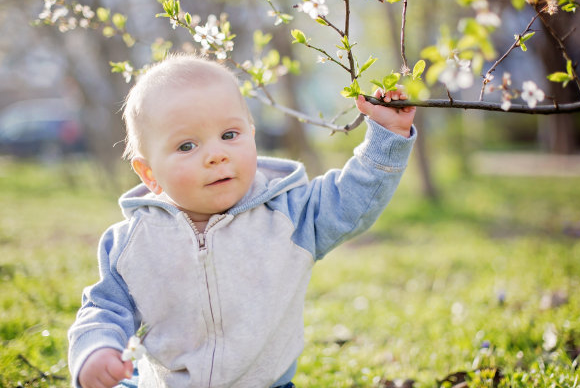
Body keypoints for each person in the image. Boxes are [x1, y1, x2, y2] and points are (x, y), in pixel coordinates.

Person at [68, 53, 417, 388]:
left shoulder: (290, 214)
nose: (216, 154)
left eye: (229, 135)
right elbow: (104, 307)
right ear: (149, 173)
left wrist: (386, 137)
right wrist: (95, 350)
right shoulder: (132, 243)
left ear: (251, 133)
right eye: (187, 146)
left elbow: (351, 200)